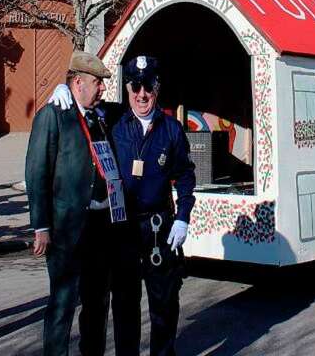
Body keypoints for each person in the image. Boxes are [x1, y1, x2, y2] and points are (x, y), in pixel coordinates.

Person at [27, 51, 136, 356]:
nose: (103, 88)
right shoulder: (53, 115)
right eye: (97, 82)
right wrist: (41, 226)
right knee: (62, 304)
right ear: (77, 82)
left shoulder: (101, 115)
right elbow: (37, 172)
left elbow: (134, 107)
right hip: (66, 228)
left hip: (101, 226)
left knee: (97, 301)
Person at [111, 56, 196, 356]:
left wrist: (183, 217)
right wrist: (63, 92)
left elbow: (185, 176)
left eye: (148, 86)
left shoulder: (171, 129)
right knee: (124, 306)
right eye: (136, 86)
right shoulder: (115, 125)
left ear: (157, 88)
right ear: (127, 88)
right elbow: (81, 106)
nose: (142, 94)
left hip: (159, 228)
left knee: (164, 305)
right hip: (123, 230)